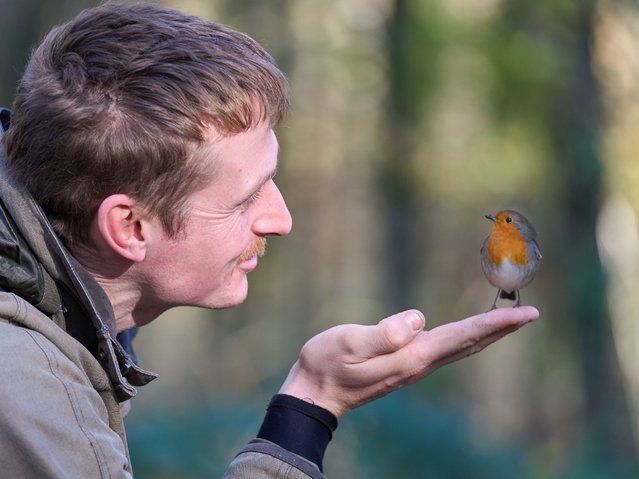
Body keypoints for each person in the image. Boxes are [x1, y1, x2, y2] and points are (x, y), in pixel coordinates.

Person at [0, 2, 539, 478]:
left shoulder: (62, 330)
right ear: (130, 228)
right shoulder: (26, 396)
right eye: (245, 198)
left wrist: (311, 400)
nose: (281, 220)